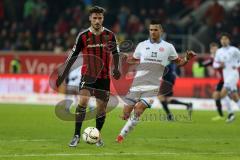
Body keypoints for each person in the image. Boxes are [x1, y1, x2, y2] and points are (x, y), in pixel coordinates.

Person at [116, 19, 196, 143]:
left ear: (161, 31)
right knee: (126, 114)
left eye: (155, 30)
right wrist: (127, 58)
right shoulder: (142, 45)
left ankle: (121, 136)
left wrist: (187, 58)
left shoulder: (168, 47)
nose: (153, 32)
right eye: (151, 30)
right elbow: (134, 59)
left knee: (138, 109)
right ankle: (126, 125)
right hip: (137, 84)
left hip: (153, 86)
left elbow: (179, 62)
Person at [56, 6, 121, 147]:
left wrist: (117, 67)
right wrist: (63, 74)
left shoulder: (110, 35)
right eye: (95, 18)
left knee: (102, 109)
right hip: (88, 75)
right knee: (83, 102)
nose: (97, 20)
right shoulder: (83, 36)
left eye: (100, 18)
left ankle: (96, 135)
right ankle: (76, 136)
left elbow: (116, 53)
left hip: (104, 77)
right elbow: (72, 56)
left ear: (103, 19)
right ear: (90, 18)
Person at [201, 42, 234, 122]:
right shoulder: (213, 58)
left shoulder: (221, 56)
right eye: (212, 48)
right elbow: (205, 64)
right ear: (210, 50)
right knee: (216, 95)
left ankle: (231, 113)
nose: (213, 50)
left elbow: (207, 63)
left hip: (227, 78)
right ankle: (221, 115)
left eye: (215, 48)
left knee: (223, 94)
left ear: (218, 49)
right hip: (222, 79)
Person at [213, 33, 240, 123]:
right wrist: (219, 65)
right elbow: (215, 63)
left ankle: (231, 114)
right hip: (226, 75)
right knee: (235, 97)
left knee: (222, 93)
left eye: (226, 39)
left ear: (229, 40)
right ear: (220, 41)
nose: (224, 41)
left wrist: (236, 65)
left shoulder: (234, 50)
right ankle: (231, 114)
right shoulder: (219, 51)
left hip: (233, 74)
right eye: (222, 39)